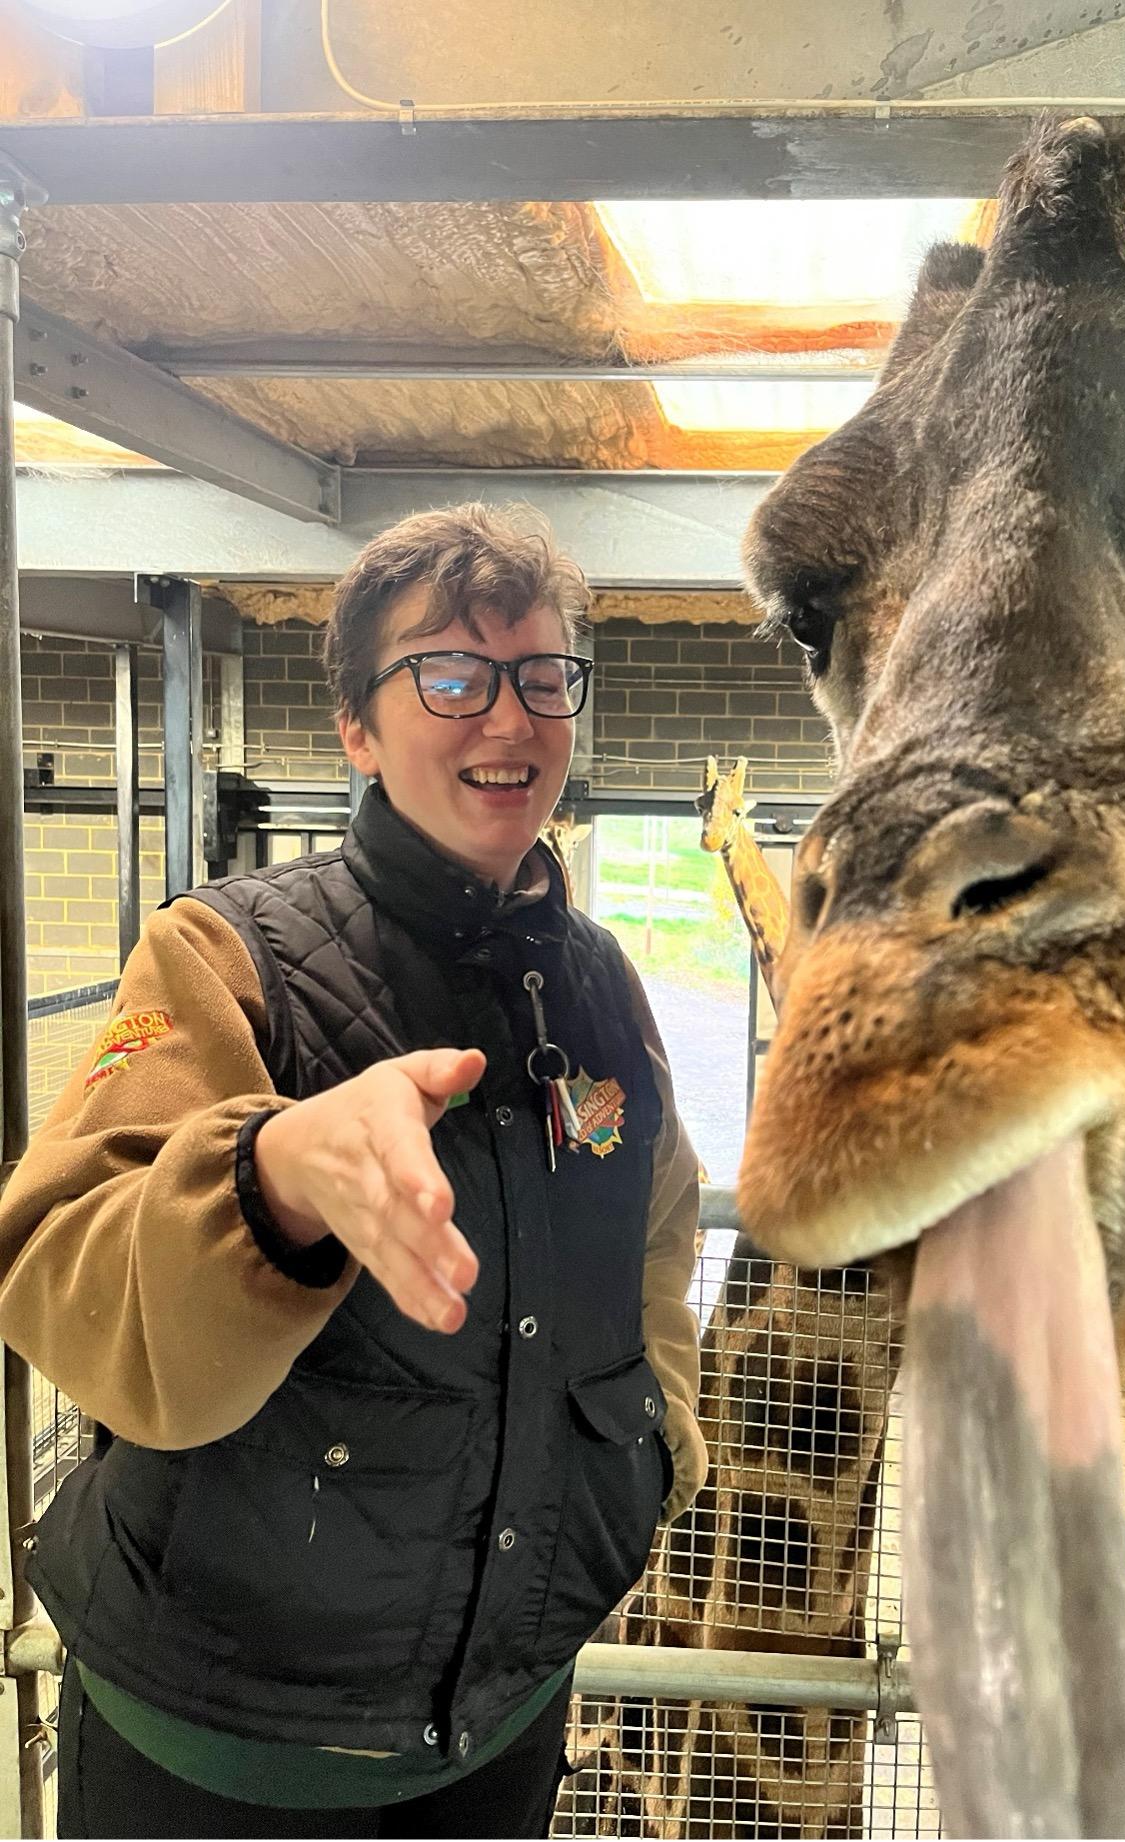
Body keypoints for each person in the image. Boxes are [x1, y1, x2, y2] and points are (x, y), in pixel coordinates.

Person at [0, 504, 706, 1839]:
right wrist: (271, 1175)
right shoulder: (224, 953)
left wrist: (654, 1447)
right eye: (451, 674)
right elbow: (55, 1265)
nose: (507, 716)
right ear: (359, 728)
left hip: (497, 1719)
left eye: (542, 674)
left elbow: (659, 1223)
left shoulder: (601, 984)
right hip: (221, 1748)